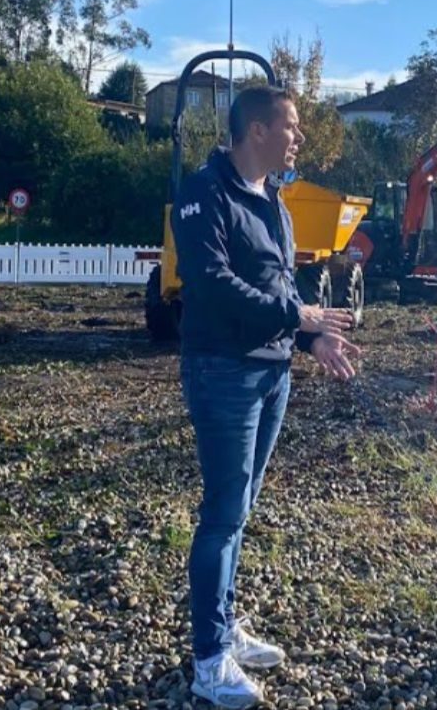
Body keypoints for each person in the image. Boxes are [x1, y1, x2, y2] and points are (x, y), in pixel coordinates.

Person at [172, 85, 360, 708]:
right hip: (223, 372)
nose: (298, 137)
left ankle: (223, 629)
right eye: (292, 126)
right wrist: (299, 317)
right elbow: (213, 284)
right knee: (223, 514)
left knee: (240, 508)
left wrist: (309, 343)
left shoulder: (273, 201)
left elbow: (278, 284)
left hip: (271, 372)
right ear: (257, 130)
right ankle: (207, 661)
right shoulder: (204, 192)